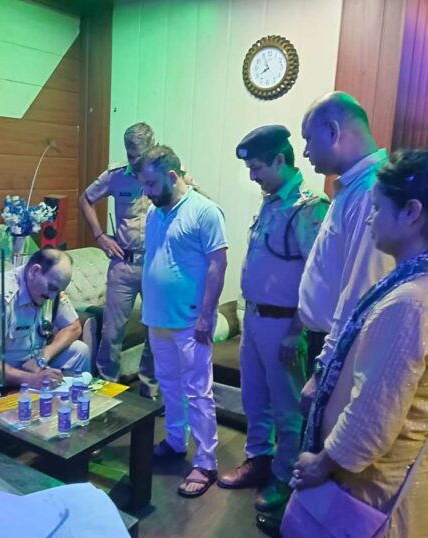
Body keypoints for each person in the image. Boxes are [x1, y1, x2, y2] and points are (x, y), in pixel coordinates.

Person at [287, 150, 428, 538]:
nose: (370, 219)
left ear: (412, 212)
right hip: (392, 476)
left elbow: (372, 418)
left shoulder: (412, 303)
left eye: (378, 208)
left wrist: (321, 464)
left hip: (373, 491)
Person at [218, 127, 329, 513]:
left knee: (287, 409)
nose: (252, 176)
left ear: (280, 160)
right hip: (254, 318)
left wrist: (296, 331)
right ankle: (258, 461)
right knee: (255, 399)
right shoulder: (271, 201)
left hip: (284, 326)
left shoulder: (308, 207)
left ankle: (284, 477)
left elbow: (317, 278)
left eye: (257, 168)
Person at [139, 144, 228, 498]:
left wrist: (206, 315)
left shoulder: (204, 212)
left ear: (172, 176)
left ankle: (206, 461)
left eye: (151, 184)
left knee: (198, 391)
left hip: (191, 321)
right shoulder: (154, 212)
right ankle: (176, 440)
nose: (146, 192)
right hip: (157, 318)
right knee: (169, 385)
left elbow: (218, 264)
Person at [299, 92, 394, 407]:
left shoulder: (369, 191)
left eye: (309, 139)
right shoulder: (352, 187)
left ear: (332, 131)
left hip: (341, 352)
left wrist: (325, 368)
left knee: (328, 436)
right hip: (329, 343)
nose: (305, 151)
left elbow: (360, 293)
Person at [79, 122, 157, 397]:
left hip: (155, 266)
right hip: (123, 265)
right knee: (112, 334)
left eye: (139, 156)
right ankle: (106, 392)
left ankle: (149, 391)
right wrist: (100, 236)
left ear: (153, 147)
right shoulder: (115, 175)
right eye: (130, 155)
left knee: (156, 332)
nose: (134, 162)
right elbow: (85, 199)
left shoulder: (166, 173)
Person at [0, 249, 90, 388]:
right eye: (52, 288)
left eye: (57, 291)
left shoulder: (50, 289)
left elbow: (74, 327)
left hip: (34, 364)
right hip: (1, 376)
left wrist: (44, 355)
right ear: (34, 271)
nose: (52, 296)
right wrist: (30, 379)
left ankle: (73, 398)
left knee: (79, 350)